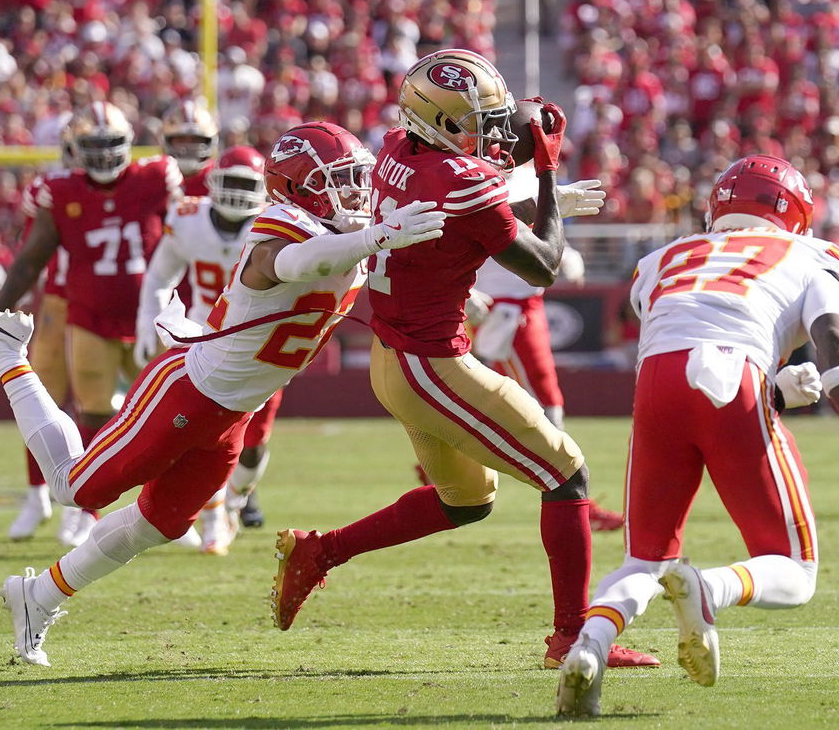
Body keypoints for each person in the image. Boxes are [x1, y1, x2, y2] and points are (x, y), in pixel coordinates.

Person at [0, 122, 445, 667]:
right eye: (339, 179)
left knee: (160, 523)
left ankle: (37, 598)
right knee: (74, 489)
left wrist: (544, 196)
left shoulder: (349, 225)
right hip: (188, 392)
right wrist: (376, 237)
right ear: (300, 186)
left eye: (356, 178)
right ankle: (9, 352)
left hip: (234, 411)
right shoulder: (282, 227)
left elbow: (436, 211)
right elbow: (304, 263)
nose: (355, 192)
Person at [269, 48, 656, 670]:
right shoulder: (458, 177)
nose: (489, 133)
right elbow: (544, 264)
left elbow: (466, 192)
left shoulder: (397, 145)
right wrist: (548, 179)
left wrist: (524, 146)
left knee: (465, 501)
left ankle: (318, 553)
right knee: (567, 474)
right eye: (473, 120)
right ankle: (572, 638)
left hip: (394, 357)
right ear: (439, 122)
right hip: (431, 365)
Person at [555, 154, 839, 716]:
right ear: (794, 213)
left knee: (644, 559)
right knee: (795, 569)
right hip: (736, 374)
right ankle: (709, 589)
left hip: (655, 386)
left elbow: (685, 338)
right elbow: (835, 338)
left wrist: (776, 391)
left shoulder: (662, 257)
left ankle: (589, 648)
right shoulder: (812, 254)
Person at [0, 100, 185, 547]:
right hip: (86, 315)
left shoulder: (156, 178)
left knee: (177, 411)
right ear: (75, 148)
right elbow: (29, 261)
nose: (102, 155)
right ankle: (87, 508)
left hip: (152, 315)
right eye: (92, 146)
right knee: (93, 414)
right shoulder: (60, 191)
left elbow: (192, 233)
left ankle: (185, 505)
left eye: (111, 144)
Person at [134, 144, 278, 554]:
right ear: (212, 184)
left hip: (259, 341)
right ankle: (207, 512)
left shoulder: (277, 224)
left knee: (254, 442)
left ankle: (233, 502)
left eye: (243, 184)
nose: (234, 192)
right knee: (194, 431)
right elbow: (160, 275)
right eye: (228, 181)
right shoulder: (189, 219)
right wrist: (148, 321)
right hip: (203, 333)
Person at [472, 167, 625, 531]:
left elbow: (542, 229)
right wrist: (465, 289)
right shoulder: (469, 174)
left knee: (544, 403)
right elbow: (467, 234)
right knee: (533, 406)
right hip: (497, 307)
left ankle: (573, 495)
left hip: (528, 303)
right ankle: (574, 499)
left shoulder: (530, 175)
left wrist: (565, 251)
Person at [8, 120, 81, 544]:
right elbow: (33, 248)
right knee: (40, 399)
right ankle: (37, 494)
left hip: (110, 308)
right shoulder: (50, 189)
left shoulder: (126, 188)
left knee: (107, 407)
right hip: (57, 300)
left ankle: (88, 507)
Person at [161, 97, 219, 198]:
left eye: (195, 140)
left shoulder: (218, 180)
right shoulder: (156, 177)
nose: (188, 147)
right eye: (181, 139)